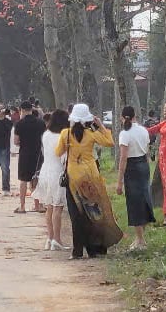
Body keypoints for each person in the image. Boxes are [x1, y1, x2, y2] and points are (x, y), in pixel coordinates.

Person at [57, 104, 123, 259]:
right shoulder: (91, 134)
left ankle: (77, 251)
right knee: (93, 213)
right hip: (91, 176)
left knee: (76, 215)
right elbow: (109, 142)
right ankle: (94, 249)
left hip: (73, 178)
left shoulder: (65, 134)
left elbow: (57, 152)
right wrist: (100, 125)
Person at [116, 106, 155, 251]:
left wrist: (119, 181)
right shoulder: (143, 130)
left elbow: (123, 159)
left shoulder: (124, 134)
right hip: (143, 166)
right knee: (144, 200)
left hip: (132, 168)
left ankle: (140, 239)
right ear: (135, 116)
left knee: (134, 203)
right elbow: (147, 151)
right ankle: (139, 238)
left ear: (122, 117)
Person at [31, 109, 69, 251]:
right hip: (57, 172)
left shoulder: (46, 134)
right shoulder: (63, 136)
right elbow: (63, 157)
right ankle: (57, 239)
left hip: (45, 171)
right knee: (58, 207)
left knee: (49, 207)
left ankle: (50, 238)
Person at [13, 101, 46, 214]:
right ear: (31, 109)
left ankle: (22, 206)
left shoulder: (19, 124)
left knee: (23, 180)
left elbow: (16, 141)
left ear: (21, 110)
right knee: (36, 179)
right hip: (38, 154)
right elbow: (44, 139)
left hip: (24, 154)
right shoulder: (40, 123)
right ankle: (38, 205)